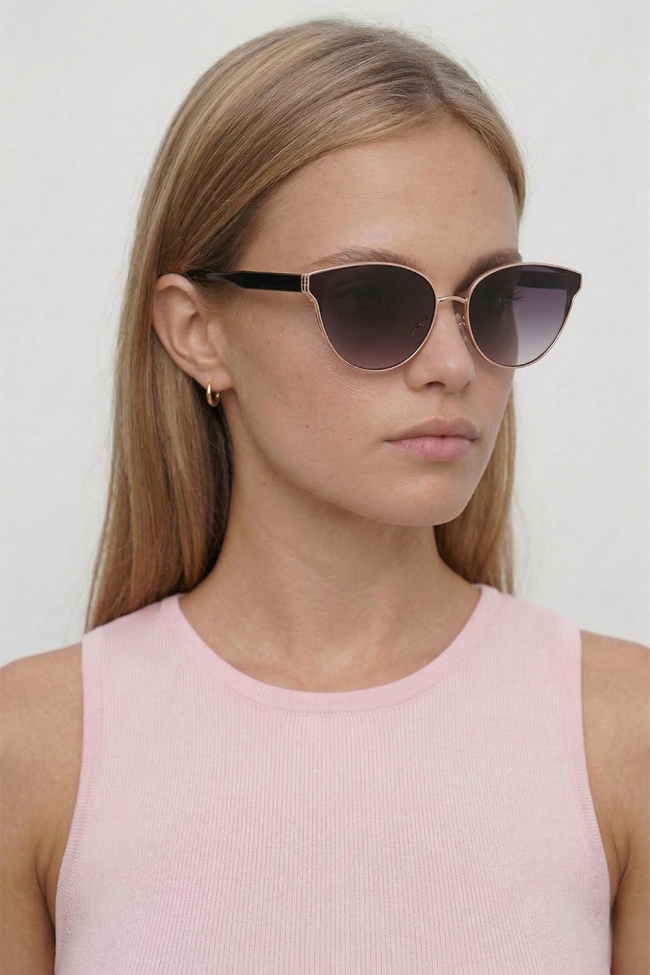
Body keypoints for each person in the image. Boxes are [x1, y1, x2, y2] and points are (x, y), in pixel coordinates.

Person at [1, 16, 647, 974]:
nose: (452, 365)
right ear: (198, 332)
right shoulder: (32, 749)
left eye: (495, 301)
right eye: (374, 300)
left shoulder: (626, 734)